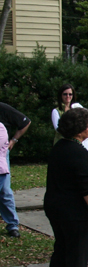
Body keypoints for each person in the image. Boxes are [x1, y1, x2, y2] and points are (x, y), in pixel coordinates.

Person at [41, 108, 88, 267]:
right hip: (74, 211)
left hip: (55, 206)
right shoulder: (79, 154)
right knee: (77, 252)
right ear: (81, 129)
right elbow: (87, 189)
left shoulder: (59, 147)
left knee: (62, 249)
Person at [0, 101, 31, 238]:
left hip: (1, 153)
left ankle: (12, 225)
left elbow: (25, 122)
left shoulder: (3, 109)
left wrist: (13, 140)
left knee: (5, 190)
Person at [52, 84, 88, 152]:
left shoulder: (77, 108)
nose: (68, 96)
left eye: (70, 94)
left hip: (77, 143)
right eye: (65, 94)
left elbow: (86, 123)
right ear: (61, 95)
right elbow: (58, 129)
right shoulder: (56, 111)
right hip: (62, 143)